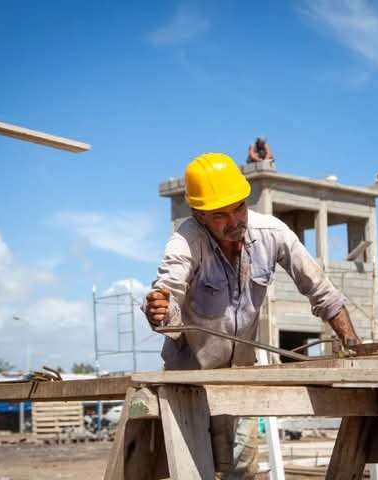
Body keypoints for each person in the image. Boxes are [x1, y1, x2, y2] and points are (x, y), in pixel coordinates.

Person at [145, 152, 360, 478]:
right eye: (220, 215)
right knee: (192, 471)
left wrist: (351, 340)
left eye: (239, 208)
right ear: (199, 214)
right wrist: (159, 309)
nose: (234, 222)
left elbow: (321, 289)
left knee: (242, 471)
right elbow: (167, 293)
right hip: (188, 384)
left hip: (241, 377)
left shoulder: (273, 232)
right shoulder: (185, 242)